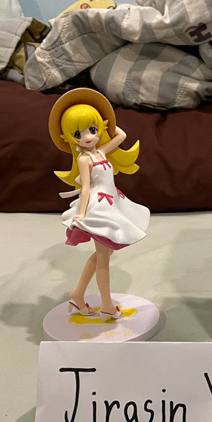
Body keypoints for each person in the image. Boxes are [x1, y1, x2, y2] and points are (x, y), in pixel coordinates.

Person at [48, 88, 150, 319]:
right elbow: (85, 187)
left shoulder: (101, 152)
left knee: (104, 254)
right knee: (103, 257)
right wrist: (81, 213)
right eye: (78, 133)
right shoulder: (84, 159)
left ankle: (77, 293)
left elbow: (121, 136)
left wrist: (106, 123)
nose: (87, 137)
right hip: (99, 207)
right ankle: (106, 305)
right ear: (69, 137)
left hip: (112, 202)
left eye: (92, 129)